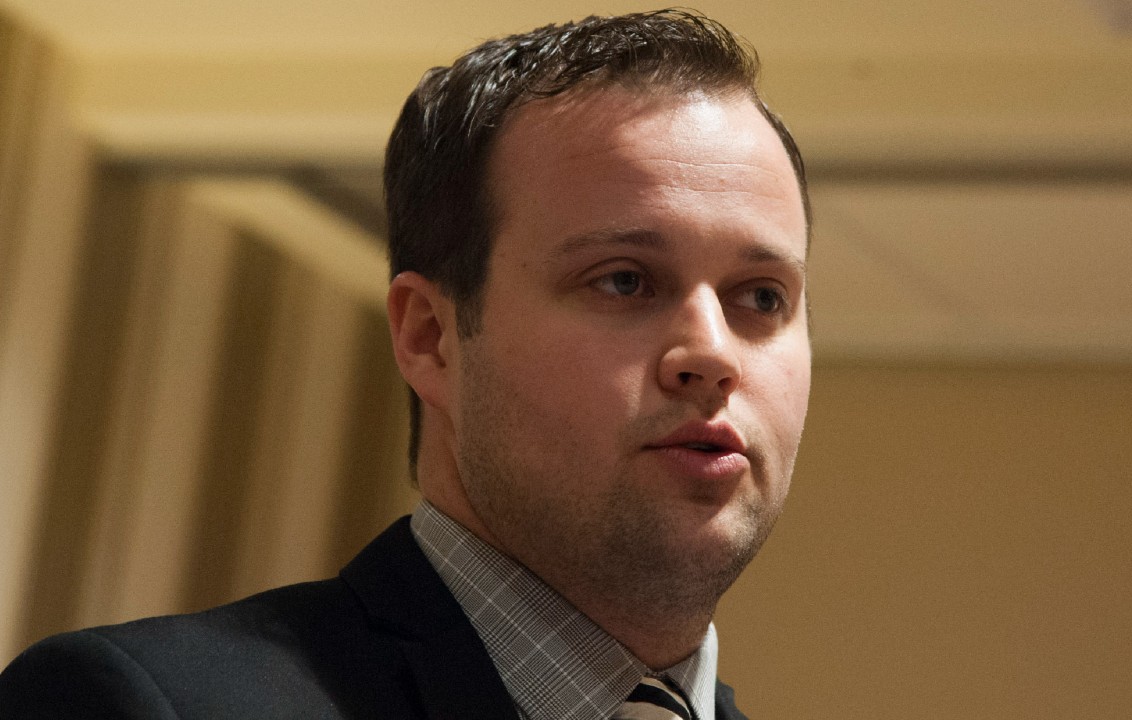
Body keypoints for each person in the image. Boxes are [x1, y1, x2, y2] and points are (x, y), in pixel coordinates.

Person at [0, 9, 811, 719]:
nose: (711, 352)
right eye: (625, 281)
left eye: (763, 298)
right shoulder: (138, 702)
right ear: (430, 336)